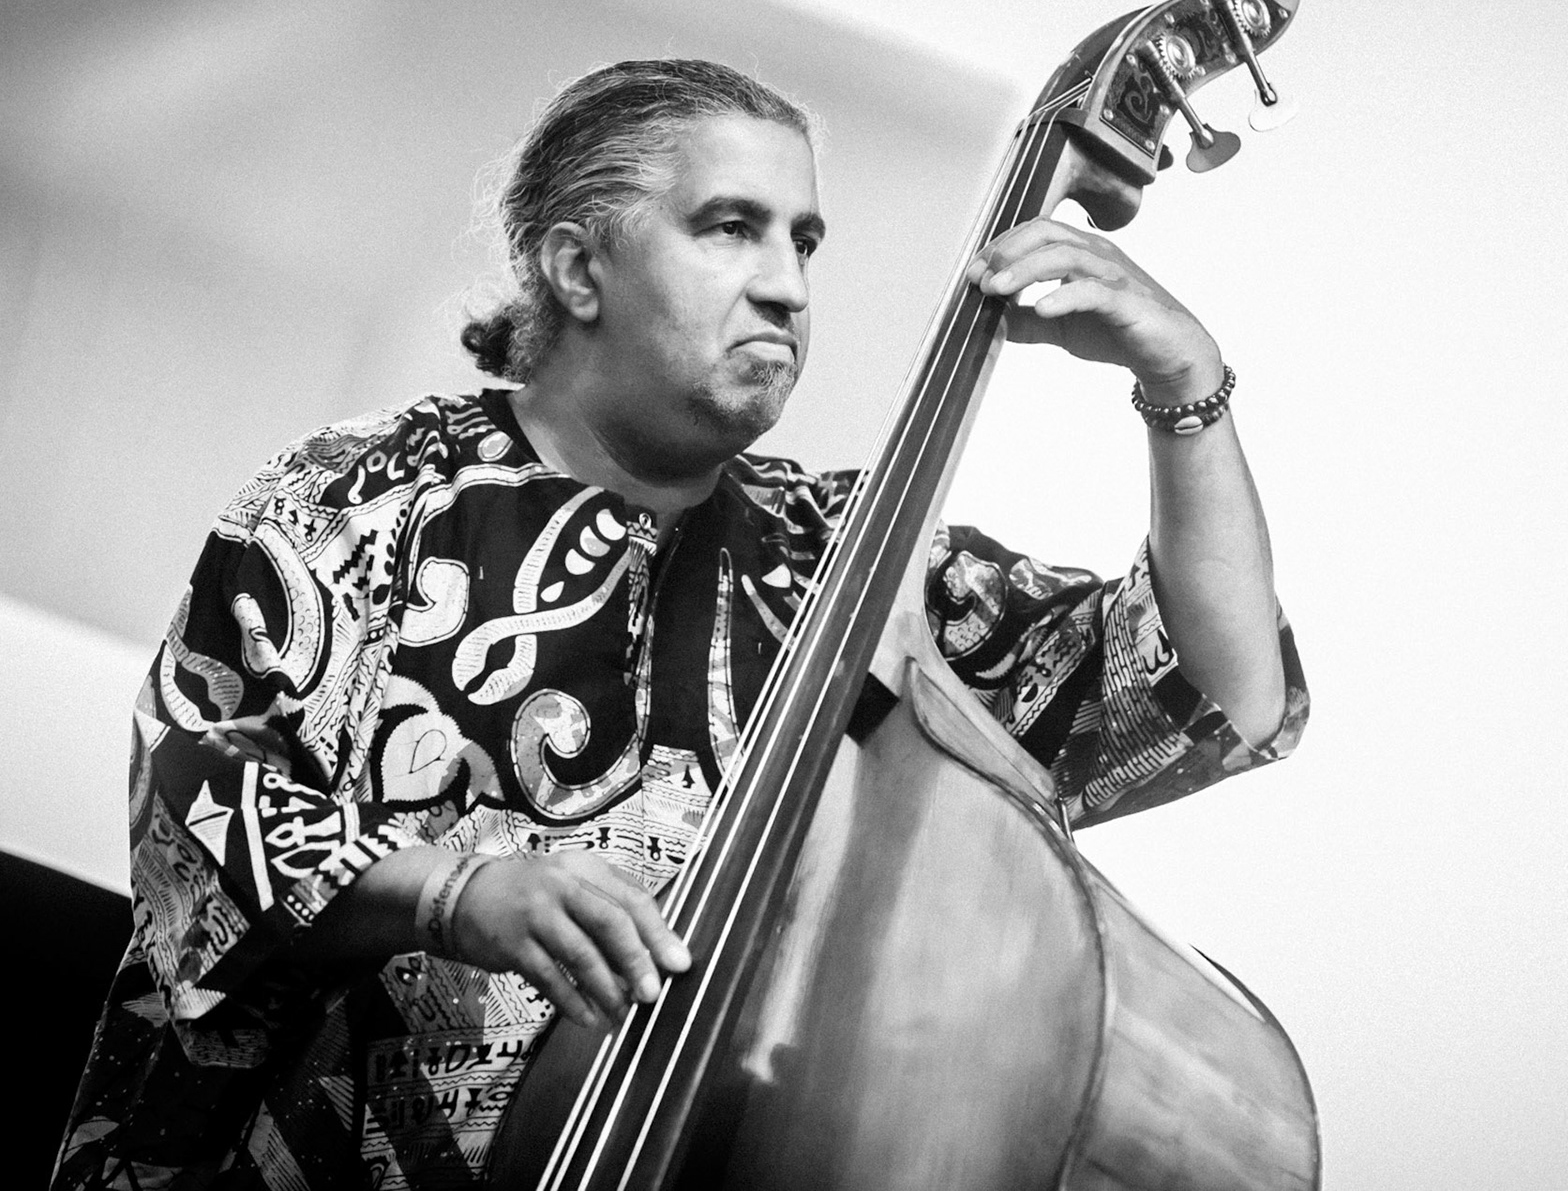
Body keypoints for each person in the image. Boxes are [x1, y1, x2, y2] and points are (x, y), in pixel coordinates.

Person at [54, 58, 1307, 1190]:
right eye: (731, 228)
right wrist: (455, 893)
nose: (785, 284)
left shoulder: (858, 568)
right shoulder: (364, 492)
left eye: (804, 242)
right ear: (577, 267)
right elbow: (199, 789)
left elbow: (1211, 691)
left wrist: (1183, 383)